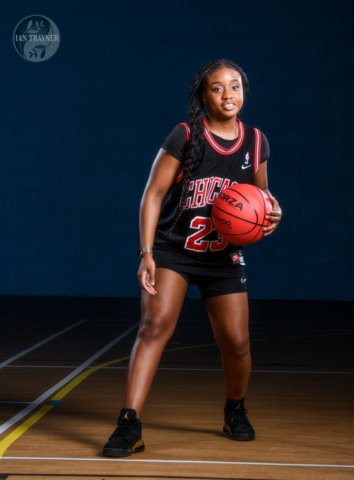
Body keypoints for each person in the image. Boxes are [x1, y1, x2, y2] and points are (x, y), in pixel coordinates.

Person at [102, 59, 282, 457]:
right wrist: (146, 253)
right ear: (204, 95)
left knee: (236, 343)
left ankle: (235, 409)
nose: (228, 94)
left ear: (244, 92)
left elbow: (263, 197)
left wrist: (274, 212)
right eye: (217, 88)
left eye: (234, 86)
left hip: (223, 255)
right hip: (174, 250)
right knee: (155, 326)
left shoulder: (256, 142)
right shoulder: (185, 135)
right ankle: (129, 423)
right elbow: (152, 194)